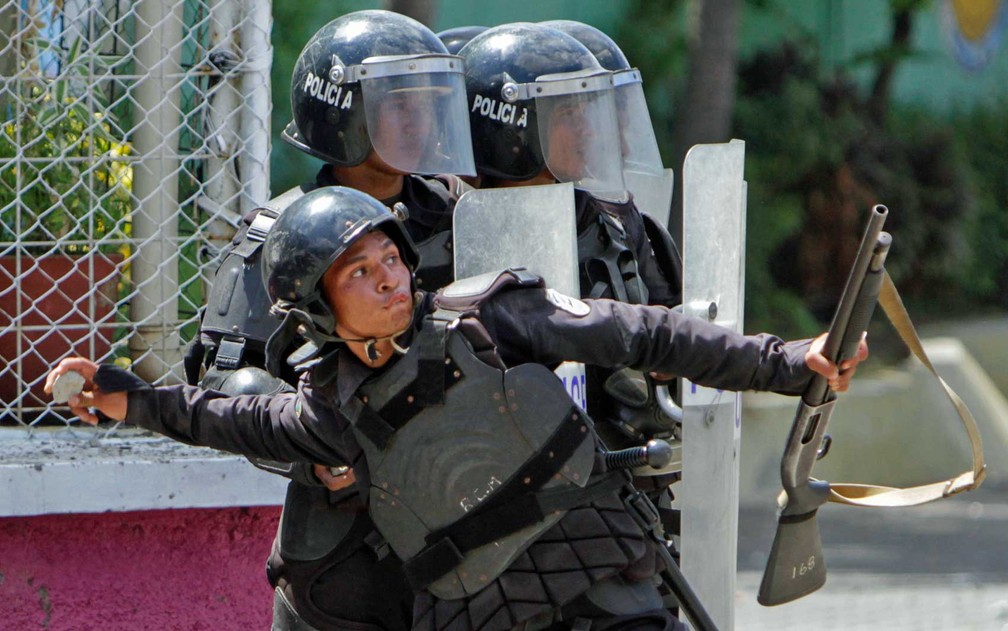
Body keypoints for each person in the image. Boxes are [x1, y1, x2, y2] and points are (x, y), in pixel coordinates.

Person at [48, 186, 867, 631]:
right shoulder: (326, 413)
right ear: (318, 310)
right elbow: (210, 416)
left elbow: (643, 333)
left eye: (389, 259)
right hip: (481, 610)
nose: (390, 278)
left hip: (596, 573)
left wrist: (789, 360)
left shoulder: (491, 315)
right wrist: (117, 393)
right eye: (359, 273)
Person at [189, 10, 476, 631]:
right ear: (342, 116)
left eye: (429, 102)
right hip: (347, 540)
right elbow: (227, 380)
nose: (421, 120)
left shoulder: (467, 215)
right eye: (399, 104)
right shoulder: (283, 232)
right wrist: (314, 450)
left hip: (475, 514)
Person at [457, 24, 683, 500]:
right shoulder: (443, 233)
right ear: (512, 125)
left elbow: (674, 335)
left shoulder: (618, 225)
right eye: (568, 114)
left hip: (622, 478)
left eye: (589, 110)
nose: (591, 130)